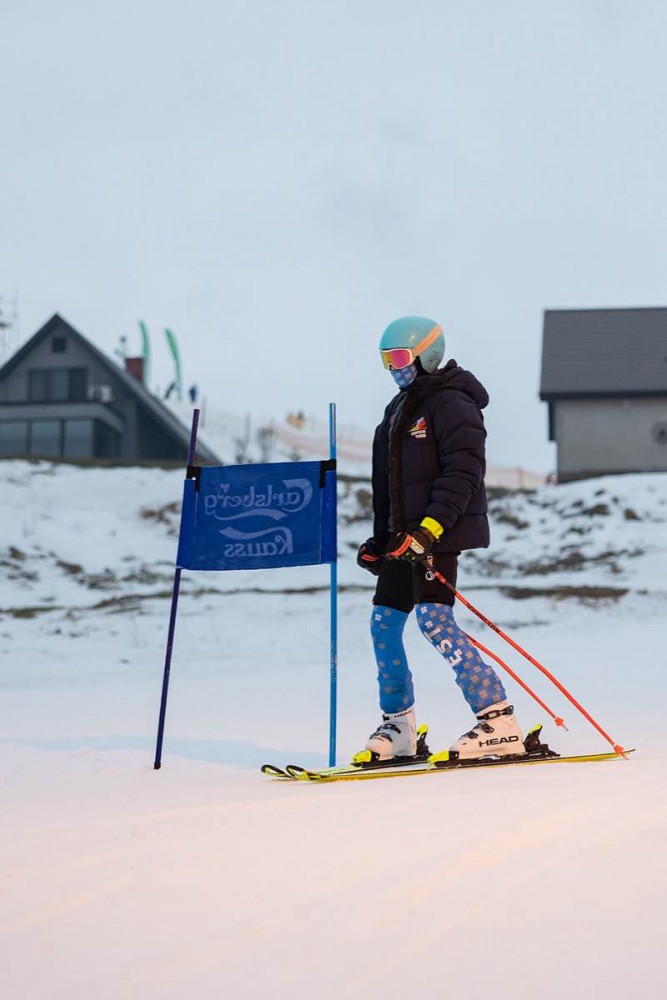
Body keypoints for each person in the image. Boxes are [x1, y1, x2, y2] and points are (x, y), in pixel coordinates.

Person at [356, 316, 524, 763]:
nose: (393, 368)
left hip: (437, 534)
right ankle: (399, 727)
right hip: (403, 540)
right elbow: (388, 486)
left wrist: (428, 530)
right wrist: (381, 541)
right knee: (383, 624)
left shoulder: (454, 404)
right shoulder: (397, 411)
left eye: (399, 358)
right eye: (386, 360)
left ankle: (498, 720)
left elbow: (463, 474)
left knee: (434, 620)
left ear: (427, 354)